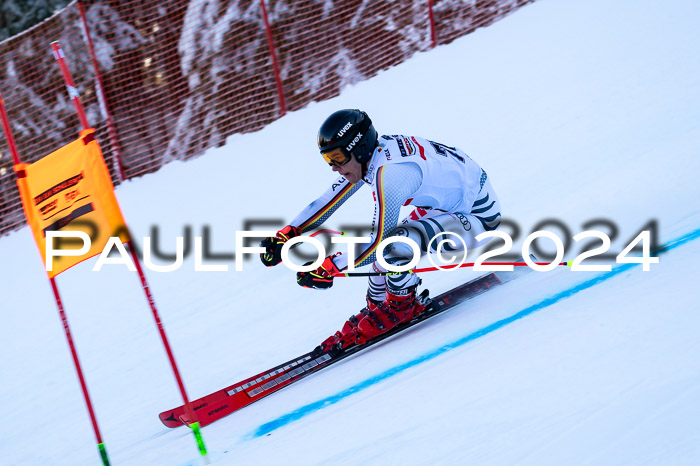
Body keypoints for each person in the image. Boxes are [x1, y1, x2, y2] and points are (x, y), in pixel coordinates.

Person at [260, 109, 501, 353]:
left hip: (478, 217)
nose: (333, 166)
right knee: (385, 259)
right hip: (446, 207)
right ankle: (379, 307)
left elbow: (379, 243)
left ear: (358, 147)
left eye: (337, 157)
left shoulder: (391, 173)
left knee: (393, 246)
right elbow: (328, 200)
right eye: (327, 159)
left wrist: (331, 267)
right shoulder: (371, 157)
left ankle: (401, 306)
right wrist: (288, 234)